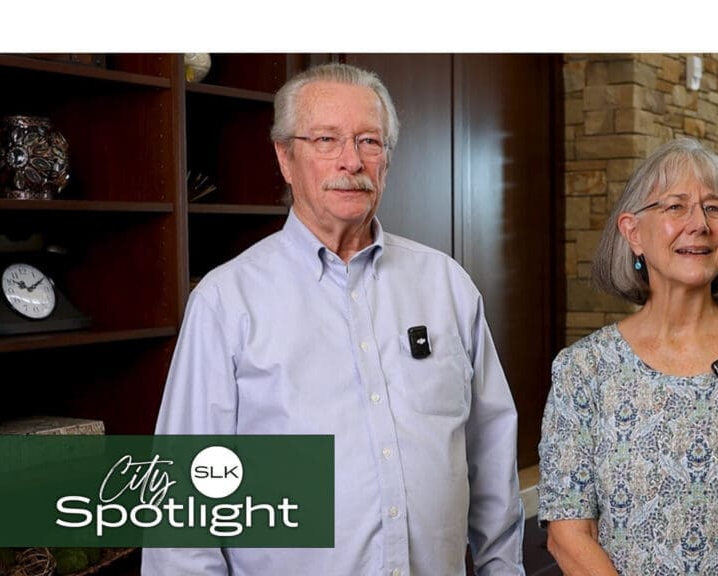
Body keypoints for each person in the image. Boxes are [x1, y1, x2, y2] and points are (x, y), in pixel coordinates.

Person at [142, 63, 525, 576]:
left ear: (387, 158)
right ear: (285, 156)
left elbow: (492, 458)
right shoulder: (226, 301)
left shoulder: (447, 285)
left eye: (370, 141)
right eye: (326, 139)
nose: (352, 160)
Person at [537, 137, 718, 575]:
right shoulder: (583, 370)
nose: (700, 224)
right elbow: (567, 533)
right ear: (633, 232)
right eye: (676, 207)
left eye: (714, 208)